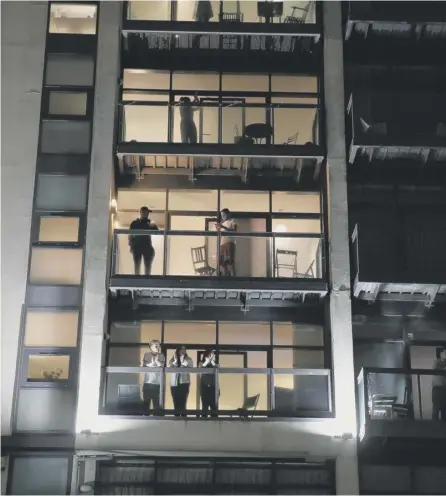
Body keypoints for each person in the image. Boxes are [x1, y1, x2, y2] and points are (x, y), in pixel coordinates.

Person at [128, 206, 158, 275]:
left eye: (147, 213)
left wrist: (153, 226)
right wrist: (131, 246)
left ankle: (145, 280)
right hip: (138, 246)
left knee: (147, 268)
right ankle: (137, 281)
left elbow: (157, 232)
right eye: (145, 212)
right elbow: (130, 235)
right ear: (141, 213)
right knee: (137, 267)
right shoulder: (135, 223)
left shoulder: (149, 223)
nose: (147, 214)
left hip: (146, 246)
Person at [168, 346, 193, 417]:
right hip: (174, 384)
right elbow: (168, 366)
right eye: (181, 349)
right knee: (176, 402)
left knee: (183, 402)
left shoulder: (188, 359)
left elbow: (191, 366)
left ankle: (184, 418)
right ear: (178, 350)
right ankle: (176, 417)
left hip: (184, 383)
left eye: (185, 349)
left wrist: (183, 362)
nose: (183, 351)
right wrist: (175, 362)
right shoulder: (173, 359)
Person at [142, 340, 165, 415]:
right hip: (148, 383)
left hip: (158, 384)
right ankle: (145, 420)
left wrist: (157, 362)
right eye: (156, 345)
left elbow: (162, 366)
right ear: (151, 347)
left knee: (157, 404)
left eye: (158, 345)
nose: (158, 347)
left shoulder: (161, 355)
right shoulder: (147, 355)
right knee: (146, 404)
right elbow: (144, 366)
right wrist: (151, 364)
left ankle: (157, 420)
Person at [216, 208, 237, 276]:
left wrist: (223, 227)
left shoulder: (232, 221)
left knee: (230, 261)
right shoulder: (222, 223)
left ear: (228, 214)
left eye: (224, 215)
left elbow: (235, 230)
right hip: (222, 243)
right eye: (221, 215)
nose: (223, 216)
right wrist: (218, 228)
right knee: (222, 262)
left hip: (229, 242)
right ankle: (225, 277)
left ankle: (234, 278)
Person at [199, 349, 219, 418]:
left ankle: (215, 424)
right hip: (205, 388)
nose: (211, 356)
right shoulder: (202, 363)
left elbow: (218, 367)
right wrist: (207, 361)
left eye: (213, 355)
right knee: (205, 407)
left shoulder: (215, 364)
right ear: (206, 355)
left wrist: (212, 362)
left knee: (214, 407)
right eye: (210, 355)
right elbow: (200, 367)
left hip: (214, 388)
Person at [432, 347, 446, 421]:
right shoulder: (436, 362)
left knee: (444, 409)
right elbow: (438, 366)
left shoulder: (440, 363)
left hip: (443, 388)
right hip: (437, 388)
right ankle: (435, 427)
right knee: (436, 409)